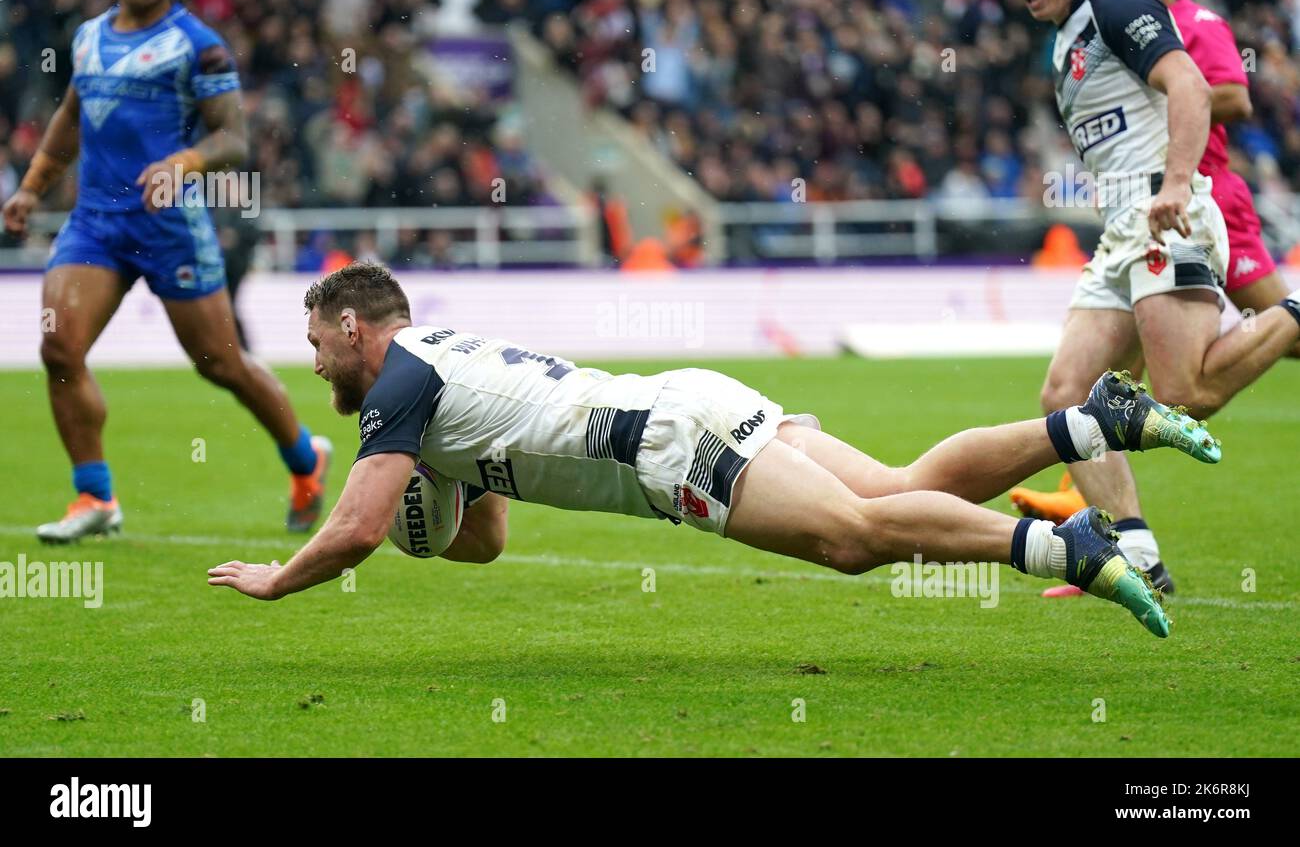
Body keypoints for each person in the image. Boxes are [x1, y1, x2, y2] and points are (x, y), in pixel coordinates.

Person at [208, 262, 1229, 638]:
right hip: (684, 402)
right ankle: (1094, 420)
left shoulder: (396, 387)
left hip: (666, 445)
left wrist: (277, 577)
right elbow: (483, 542)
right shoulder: (432, 364)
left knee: (854, 538)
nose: (314, 363)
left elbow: (356, 529)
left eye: (315, 343)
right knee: (902, 485)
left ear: (353, 326)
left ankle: (1067, 545)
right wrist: (441, 495)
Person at [993, 0, 1300, 594]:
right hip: (1122, 230)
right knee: (1066, 394)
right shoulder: (1065, 36)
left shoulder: (1114, 5)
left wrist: (1179, 183)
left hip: (1165, 214)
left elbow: (1191, 84)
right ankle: (1136, 553)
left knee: (1184, 395)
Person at [0, 0, 331, 541]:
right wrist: (32, 186)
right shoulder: (89, 37)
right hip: (95, 225)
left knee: (221, 365)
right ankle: (95, 496)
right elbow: (70, 116)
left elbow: (233, 138)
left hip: (169, 228)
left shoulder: (198, 45)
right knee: (59, 348)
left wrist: (184, 162)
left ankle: (303, 457)